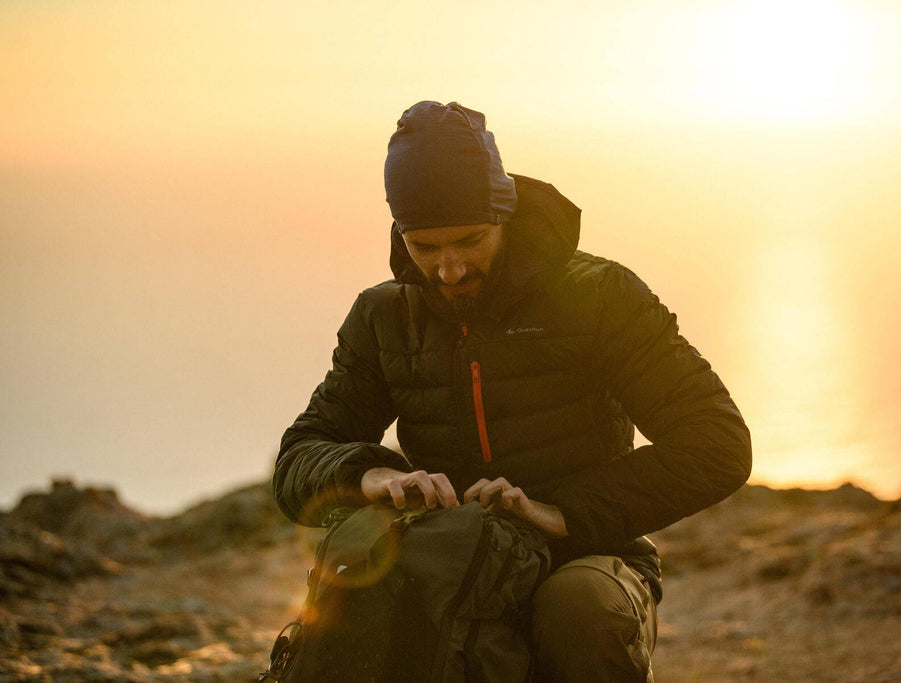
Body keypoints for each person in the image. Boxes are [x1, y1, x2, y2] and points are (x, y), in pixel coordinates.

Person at [273, 101, 752, 682]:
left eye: (468, 240)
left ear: (504, 213)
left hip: (585, 554)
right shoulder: (384, 316)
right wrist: (374, 477)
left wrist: (562, 514)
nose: (448, 269)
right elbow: (300, 455)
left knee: (579, 609)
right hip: (451, 554)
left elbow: (718, 442)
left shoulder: (601, 297)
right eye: (425, 247)